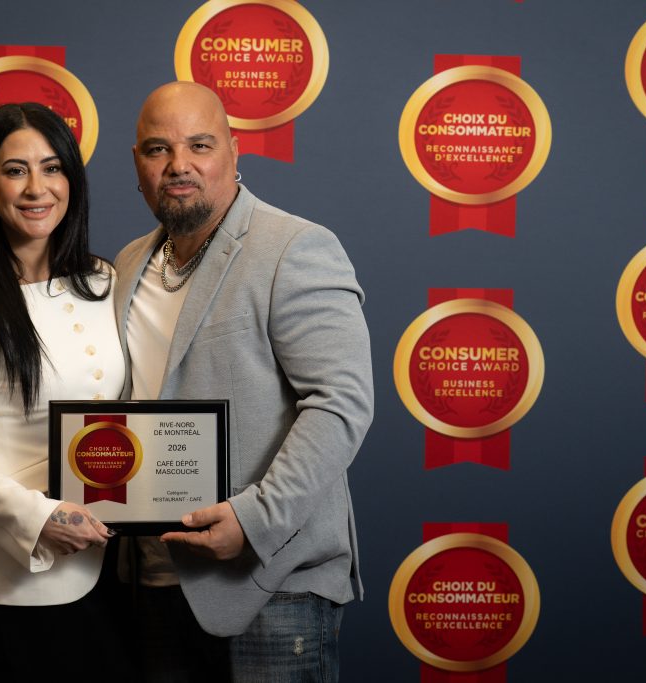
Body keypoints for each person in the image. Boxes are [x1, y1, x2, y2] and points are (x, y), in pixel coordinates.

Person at [114, 81, 374, 682]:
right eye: (158, 149)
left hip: (269, 582)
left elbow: (340, 404)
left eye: (199, 145)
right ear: (137, 163)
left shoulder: (295, 248)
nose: (178, 165)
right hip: (151, 581)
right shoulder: (127, 263)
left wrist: (256, 521)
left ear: (234, 151)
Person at [0, 102, 128, 680]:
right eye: (15, 170)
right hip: (23, 580)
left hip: (121, 566)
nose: (37, 187)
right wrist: (44, 517)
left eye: (52, 167)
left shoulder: (106, 282)